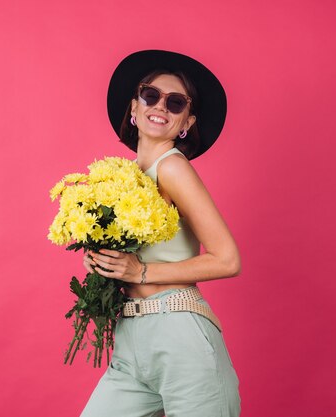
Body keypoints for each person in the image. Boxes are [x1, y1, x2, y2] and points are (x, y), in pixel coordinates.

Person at [80, 50, 241, 417]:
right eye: (150, 95)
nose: (160, 107)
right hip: (132, 336)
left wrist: (140, 272)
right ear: (134, 108)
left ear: (186, 121)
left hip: (178, 332)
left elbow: (228, 259)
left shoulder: (172, 168)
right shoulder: (127, 179)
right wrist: (105, 262)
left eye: (176, 102)